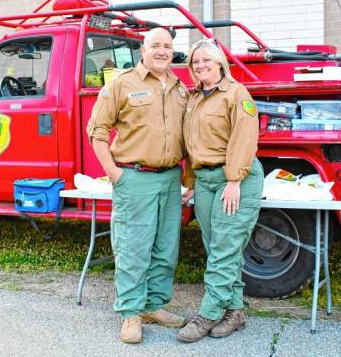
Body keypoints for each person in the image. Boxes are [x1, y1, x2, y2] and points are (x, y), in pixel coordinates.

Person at [86, 27, 189, 344]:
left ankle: (153, 306)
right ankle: (131, 313)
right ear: (142, 50)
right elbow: (97, 131)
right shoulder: (121, 84)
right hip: (134, 177)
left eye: (167, 46)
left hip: (170, 179)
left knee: (165, 247)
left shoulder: (180, 87)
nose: (161, 51)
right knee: (133, 249)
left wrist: (188, 178)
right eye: (155, 45)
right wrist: (115, 174)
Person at [177, 38, 264, 343]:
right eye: (195, 62)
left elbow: (245, 137)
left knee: (224, 250)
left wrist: (235, 181)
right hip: (205, 180)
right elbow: (190, 145)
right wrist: (189, 183)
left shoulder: (236, 93)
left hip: (234, 179)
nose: (200, 66)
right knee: (218, 248)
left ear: (219, 63)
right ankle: (236, 311)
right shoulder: (194, 98)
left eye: (206, 61)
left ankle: (208, 314)